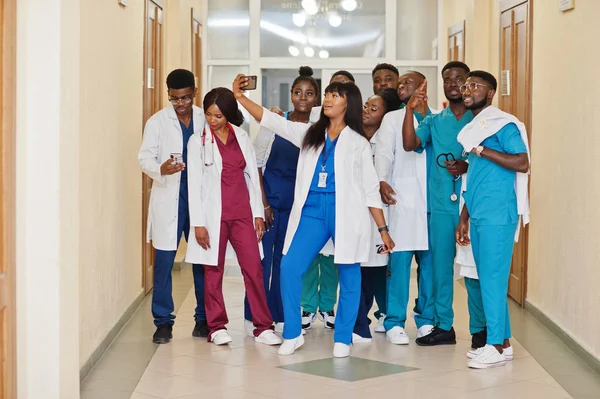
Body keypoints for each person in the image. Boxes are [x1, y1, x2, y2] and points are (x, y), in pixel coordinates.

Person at [233, 75, 395, 358]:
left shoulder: (358, 143)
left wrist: (383, 229)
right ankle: (293, 333)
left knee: (349, 272)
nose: (328, 100)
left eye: (335, 95)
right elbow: (273, 122)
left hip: (345, 212)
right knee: (290, 266)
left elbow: (370, 191)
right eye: (329, 95)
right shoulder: (309, 133)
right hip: (312, 211)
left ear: (349, 104)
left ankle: (343, 338)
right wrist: (240, 98)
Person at [185, 87, 282, 347]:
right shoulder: (197, 141)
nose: (212, 121)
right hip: (212, 216)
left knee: (253, 269)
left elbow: (252, 176)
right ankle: (216, 326)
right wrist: (198, 224)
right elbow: (193, 185)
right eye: (208, 115)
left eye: (218, 116)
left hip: (242, 214)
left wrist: (259, 213)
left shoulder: (240, 136)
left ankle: (262, 327)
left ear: (228, 114)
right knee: (213, 271)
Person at [455, 70, 530, 368]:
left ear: (490, 92)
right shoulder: (474, 127)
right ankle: (506, 344)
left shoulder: (503, 124)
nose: (466, 89)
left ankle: (495, 346)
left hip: (499, 214)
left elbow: (522, 162)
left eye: (474, 85)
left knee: (492, 281)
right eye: (465, 85)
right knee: (488, 278)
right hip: (480, 213)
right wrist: (465, 216)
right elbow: (473, 178)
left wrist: (482, 149)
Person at [402, 62, 475, 346]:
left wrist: (467, 165)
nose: (453, 83)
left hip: (474, 205)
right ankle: (444, 325)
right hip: (441, 206)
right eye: (447, 79)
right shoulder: (433, 121)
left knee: (475, 269)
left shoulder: (478, 119)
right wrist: (410, 108)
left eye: (460, 79)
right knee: (440, 269)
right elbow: (410, 144)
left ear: (469, 84)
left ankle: (482, 329)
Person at [138, 69, 207, 344]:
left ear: (194, 92)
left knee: (202, 261)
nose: (180, 104)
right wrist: (160, 168)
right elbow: (143, 158)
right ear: (169, 95)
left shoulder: (205, 117)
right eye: (175, 99)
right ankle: (163, 322)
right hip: (169, 198)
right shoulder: (157, 122)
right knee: (164, 263)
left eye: (186, 98)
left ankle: (203, 318)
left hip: (198, 200)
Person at [250, 66, 320, 333]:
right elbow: (256, 163)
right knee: (261, 260)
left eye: (309, 93)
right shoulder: (275, 123)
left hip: (298, 205)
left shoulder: (318, 129)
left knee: (285, 261)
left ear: (316, 99)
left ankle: (280, 315)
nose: (303, 97)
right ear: (291, 95)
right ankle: (255, 317)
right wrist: (263, 204)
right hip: (271, 200)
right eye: (298, 92)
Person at [375, 71, 435, 344]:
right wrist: (382, 180)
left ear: (423, 86)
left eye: (406, 83)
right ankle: (394, 320)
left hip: (433, 202)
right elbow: (385, 152)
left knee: (431, 265)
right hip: (402, 199)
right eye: (399, 84)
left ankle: (426, 319)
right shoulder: (392, 118)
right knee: (398, 265)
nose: (400, 87)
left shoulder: (438, 118)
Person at [300, 69, 357, 330]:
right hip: (314, 203)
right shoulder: (316, 123)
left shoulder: (354, 131)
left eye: (340, 92)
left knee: (334, 260)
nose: (331, 99)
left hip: (340, 205)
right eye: (330, 93)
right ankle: (308, 306)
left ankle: (328, 305)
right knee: (310, 258)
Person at [353, 88, 402, 343]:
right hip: (356, 213)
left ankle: (381, 314)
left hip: (382, 215)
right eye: (365, 107)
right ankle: (358, 319)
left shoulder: (388, 139)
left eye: (374, 109)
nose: (366, 112)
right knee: (357, 267)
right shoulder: (352, 137)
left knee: (377, 268)